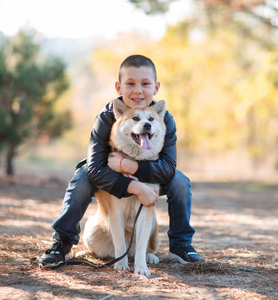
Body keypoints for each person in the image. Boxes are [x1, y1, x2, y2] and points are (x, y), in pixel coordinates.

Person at [39, 54, 205, 267]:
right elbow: (95, 169)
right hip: (106, 172)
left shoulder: (164, 118)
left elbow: (167, 169)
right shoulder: (107, 115)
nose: (138, 90)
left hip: (146, 170)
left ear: (156, 87)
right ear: (118, 87)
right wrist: (134, 186)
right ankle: (61, 243)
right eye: (130, 83)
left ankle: (181, 245)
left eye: (145, 84)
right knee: (81, 180)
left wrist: (130, 166)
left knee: (181, 183)